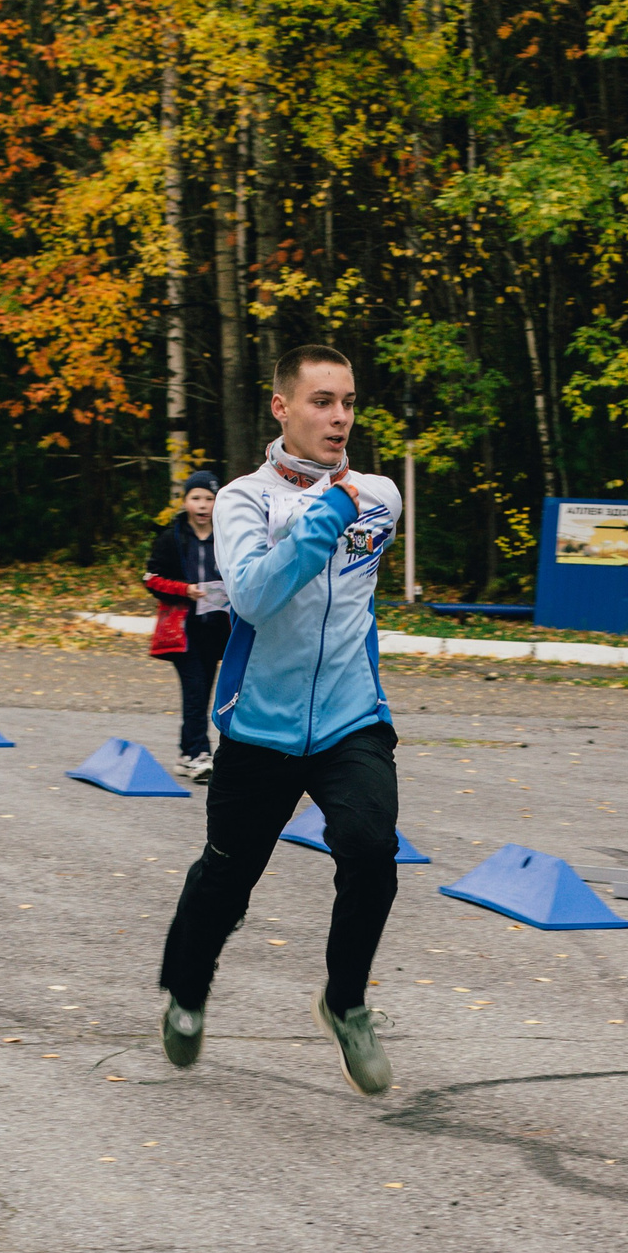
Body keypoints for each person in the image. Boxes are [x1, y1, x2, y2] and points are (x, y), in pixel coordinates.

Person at [155, 345, 405, 1095]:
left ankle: (345, 1001)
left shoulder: (382, 496)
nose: (339, 418)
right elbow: (257, 599)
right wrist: (326, 514)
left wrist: (343, 506)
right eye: (323, 401)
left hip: (349, 718)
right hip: (260, 726)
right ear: (283, 408)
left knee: (372, 853)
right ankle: (187, 989)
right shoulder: (241, 501)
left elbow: (348, 604)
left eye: (349, 402)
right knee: (228, 879)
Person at [144, 470, 230, 781]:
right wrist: (186, 590)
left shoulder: (228, 537)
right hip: (183, 631)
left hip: (217, 629)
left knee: (203, 692)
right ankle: (198, 754)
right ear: (185, 502)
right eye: (196, 498)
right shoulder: (172, 538)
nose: (203, 505)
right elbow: (151, 579)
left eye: (209, 499)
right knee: (195, 691)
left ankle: (185, 752)